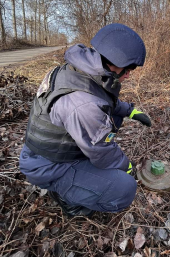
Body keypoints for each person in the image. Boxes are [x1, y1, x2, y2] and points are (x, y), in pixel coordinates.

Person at [19, 23, 151, 217]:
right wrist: (127, 167)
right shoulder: (83, 104)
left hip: (45, 152)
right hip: (48, 165)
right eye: (129, 68)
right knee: (125, 188)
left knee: (111, 119)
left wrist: (131, 111)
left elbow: (101, 97)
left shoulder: (79, 70)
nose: (130, 74)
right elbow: (103, 152)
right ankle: (68, 199)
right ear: (112, 62)